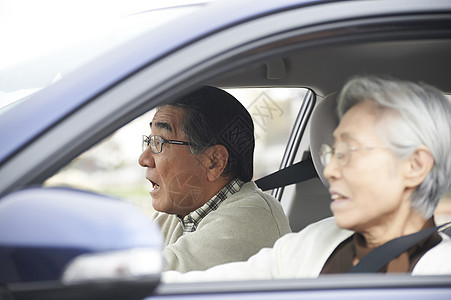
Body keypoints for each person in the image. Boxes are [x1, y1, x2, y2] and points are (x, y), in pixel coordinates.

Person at [163, 76, 451, 282]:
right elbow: (196, 287)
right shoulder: (311, 242)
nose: (331, 170)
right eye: (330, 152)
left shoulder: (440, 270)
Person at [138, 86, 291, 273]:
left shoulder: (247, 222)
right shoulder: (176, 213)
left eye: (158, 143)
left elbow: (141, 280)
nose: (144, 159)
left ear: (214, 161)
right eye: (149, 141)